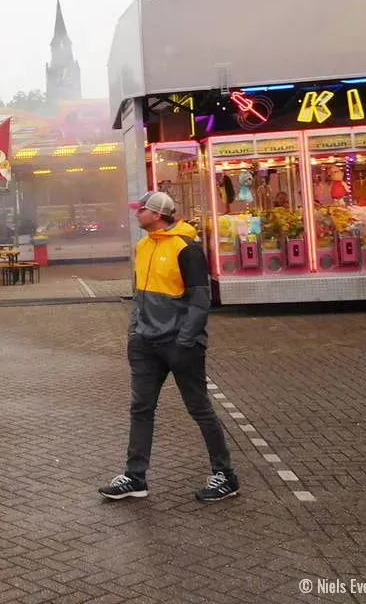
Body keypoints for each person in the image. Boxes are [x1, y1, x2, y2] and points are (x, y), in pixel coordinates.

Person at [99, 191, 239, 503]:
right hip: (146, 344)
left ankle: (226, 475)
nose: (137, 215)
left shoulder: (186, 248)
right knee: (141, 408)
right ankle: (135, 477)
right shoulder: (143, 245)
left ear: (157, 214)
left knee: (199, 408)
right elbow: (139, 294)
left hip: (179, 345)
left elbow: (201, 300)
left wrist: (184, 341)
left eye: (141, 211)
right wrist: (135, 332)